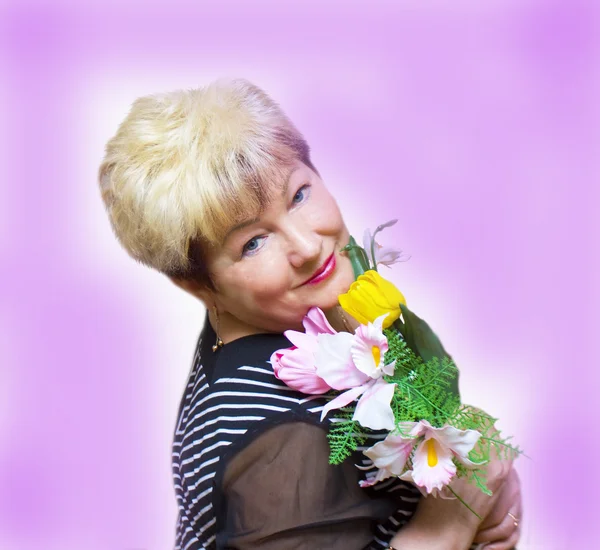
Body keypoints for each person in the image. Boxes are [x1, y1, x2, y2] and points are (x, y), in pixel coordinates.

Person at [97, 78, 522, 550]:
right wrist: (450, 523)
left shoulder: (291, 323)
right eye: (252, 243)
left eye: (298, 194)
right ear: (195, 283)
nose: (306, 246)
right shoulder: (284, 440)